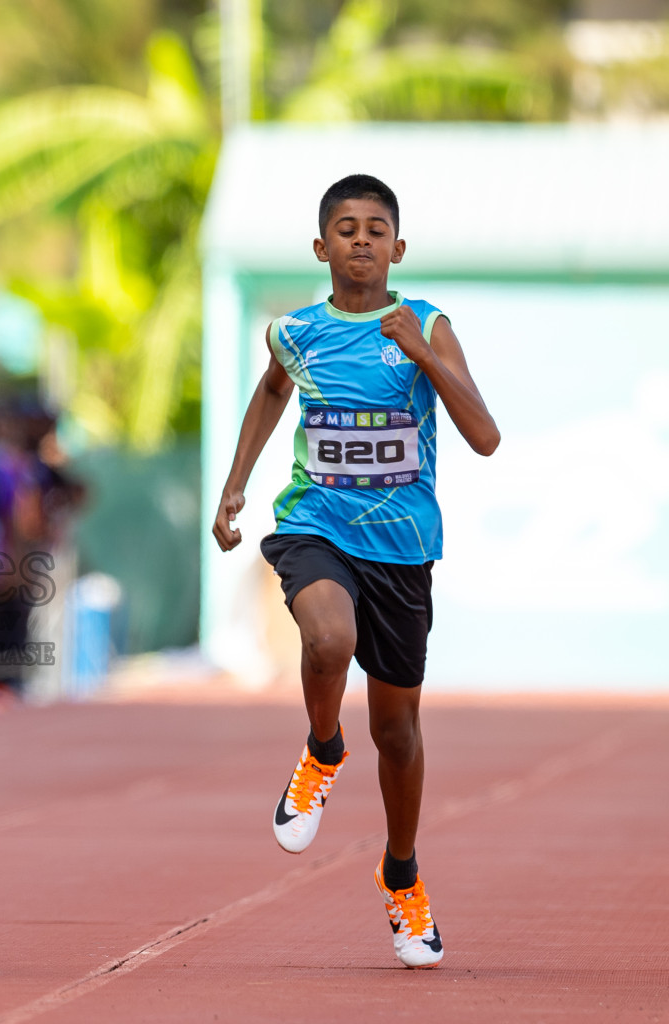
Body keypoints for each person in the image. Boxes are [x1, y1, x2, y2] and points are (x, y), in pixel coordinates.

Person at [211, 175, 500, 969]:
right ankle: (322, 747)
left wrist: (421, 357)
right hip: (317, 526)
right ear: (322, 247)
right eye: (346, 227)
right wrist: (236, 484)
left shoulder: (428, 325)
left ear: (397, 249)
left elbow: (484, 435)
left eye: (377, 229)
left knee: (399, 733)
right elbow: (271, 394)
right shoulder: (295, 333)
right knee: (328, 638)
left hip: (403, 548)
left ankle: (401, 872)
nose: (362, 240)